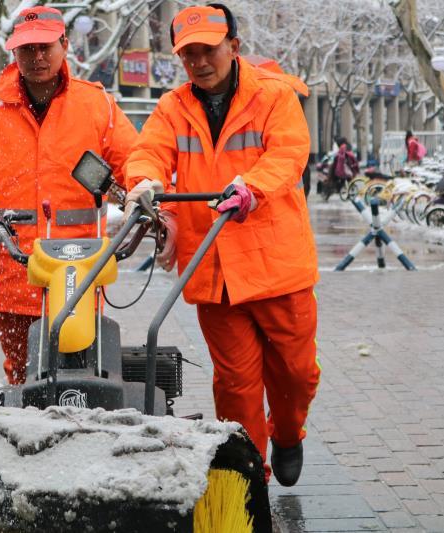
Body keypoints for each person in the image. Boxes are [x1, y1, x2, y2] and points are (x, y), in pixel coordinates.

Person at [123, 4, 319, 487]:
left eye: (208, 50)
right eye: (189, 54)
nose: (199, 62)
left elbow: (288, 154)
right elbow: (150, 151)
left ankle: (289, 432)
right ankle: (250, 479)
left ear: (233, 45)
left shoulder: (274, 97)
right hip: (214, 271)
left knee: (296, 375)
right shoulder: (173, 106)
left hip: (276, 266)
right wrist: (144, 182)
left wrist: (251, 186)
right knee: (236, 387)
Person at [0, 6, 138, 385]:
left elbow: (134, 161)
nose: (37, 57)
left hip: (80, 270)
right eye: (27, 49)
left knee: (86, 368)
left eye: (45, 47)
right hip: (14, 270)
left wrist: (140, 194)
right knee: (22, 374)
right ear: (13, 52)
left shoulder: (96, 105)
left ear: (64, 45)